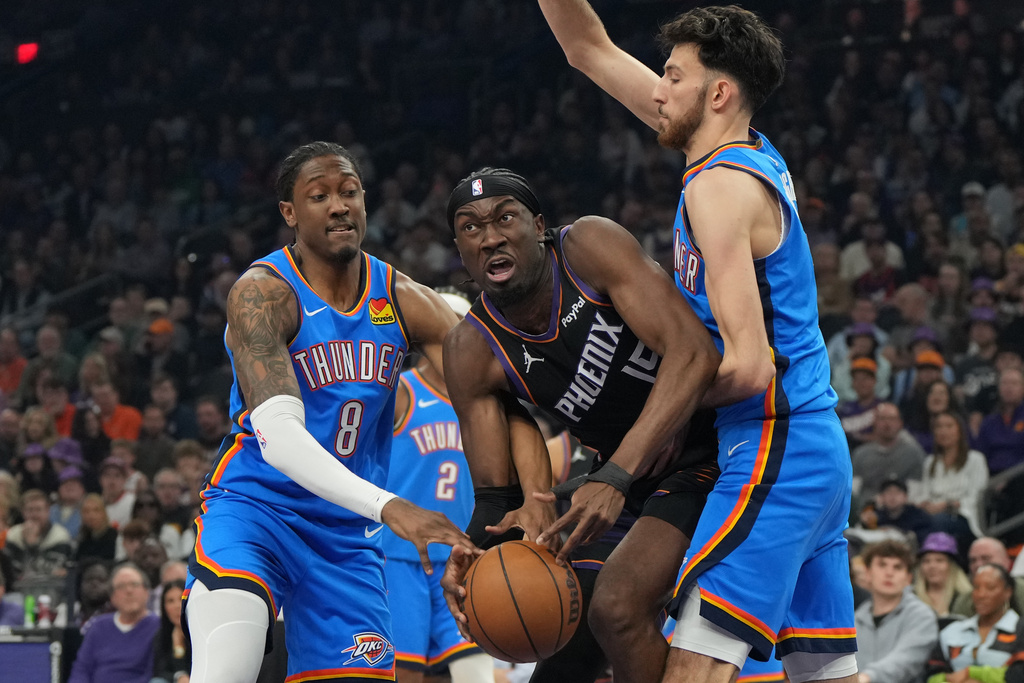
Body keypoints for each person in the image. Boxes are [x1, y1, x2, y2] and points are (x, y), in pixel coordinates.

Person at [537, 4, 858, 679]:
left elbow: (745, 365)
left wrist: (644, 417)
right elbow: (586, 47)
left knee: (694, 664)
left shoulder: (718, 188)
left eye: (672, 76)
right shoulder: (737, 155)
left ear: (718, 92)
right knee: (829, 673)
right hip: (812, 448)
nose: (657, 89)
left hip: (773, 447)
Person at [183, 141, 474, 683]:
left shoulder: (403, 298)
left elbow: (491, 390)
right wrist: (390, 507)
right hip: (257, 510)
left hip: (347, 537)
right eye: (319, 196)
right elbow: (279, 434)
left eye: (349, 192)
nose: (339, 205)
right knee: (229, 666)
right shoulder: (262, 294)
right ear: (290, 214)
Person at [439, 167, 720, 683]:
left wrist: (615, 475)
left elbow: (696, 353)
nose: (491, 236)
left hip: (706, 451)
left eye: (505, 217)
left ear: (539, 224)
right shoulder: (471, 348)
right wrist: (470, 559)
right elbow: (495, 500)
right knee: (562, 651)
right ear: (460, 250)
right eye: (471, 227)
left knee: (616, 609)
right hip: (621, 480)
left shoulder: (588, 247)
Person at [383, 291, 491, 683]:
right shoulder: (402, 393)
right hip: (398, 556)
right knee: (404, 672)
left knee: (476, 668)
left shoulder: (482, 402)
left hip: (458, 556)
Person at [854, 540, 938, 683]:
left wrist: (866, 677)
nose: (889, 573)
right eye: (882, 565)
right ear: (868, 573)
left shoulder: (922, 616)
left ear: (908, 579)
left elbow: (906, 660)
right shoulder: (856, 618)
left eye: (898, 567)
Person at [68, 562, 160, 683]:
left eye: (134, 584)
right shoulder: (98, 626)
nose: (129, 591)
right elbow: (81, 670)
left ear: (147, 592)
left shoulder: (158, 627)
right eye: (121, 586)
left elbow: (154, 674)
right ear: (112, 597)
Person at [928, 564, 1019, 683]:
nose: (981, 595)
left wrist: (971, 672)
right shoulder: (951, 631)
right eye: (976, 587)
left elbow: (1019, 675)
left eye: (990, 588)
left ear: (1008, 592)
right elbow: (931, 676)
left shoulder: (1020, 630)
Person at [915, 412, 988, 540]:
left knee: (938, 521)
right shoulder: (930, 462)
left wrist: (947, 505)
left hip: (962, 516)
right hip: (932, 513)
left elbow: (976, 496)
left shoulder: (975, 459)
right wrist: (925, 504)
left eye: (949, 426)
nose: (943, 431)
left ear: (960, 430)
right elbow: (924, 494)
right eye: (939, 427)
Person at [913, 532, 972, 625]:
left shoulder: (967, 599)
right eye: (926, 561)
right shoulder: (911, 598)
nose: (932, 566)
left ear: (952, 566)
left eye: (939, 560)